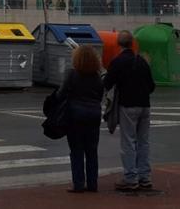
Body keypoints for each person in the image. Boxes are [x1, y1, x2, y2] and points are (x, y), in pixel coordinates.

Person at [103, 30, 156, 191]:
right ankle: (145, 177)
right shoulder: (141, 61)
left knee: (128, 142)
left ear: (118, 44)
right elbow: (151, 86)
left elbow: (107, 83)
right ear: (132, 43)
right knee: (143, 142)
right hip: (145, 105)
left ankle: (130, 178)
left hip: (127, 105)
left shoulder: (117, 62)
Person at [56, 46, 104, 193]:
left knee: (76, 150)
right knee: (92, 150)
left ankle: (78, 184)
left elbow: (61, 94)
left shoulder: (72, 74)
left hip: (75, 115)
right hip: (94, 115)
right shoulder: (97, 76)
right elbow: (100, 95)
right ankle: (92, 184)